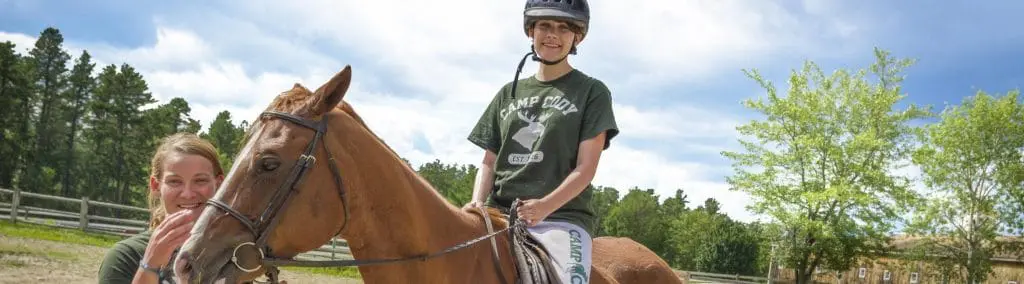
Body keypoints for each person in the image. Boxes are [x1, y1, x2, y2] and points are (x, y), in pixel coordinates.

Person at [464, 0, 618, 283]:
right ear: (530, 30)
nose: (552, 35)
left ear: (577, 36)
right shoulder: (506, 93)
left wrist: (545, 206)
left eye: (564, 28)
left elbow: (586, 169)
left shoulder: (592, 92)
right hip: (499, 215)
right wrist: (476, 203)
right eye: (544, 25)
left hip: (561, 218)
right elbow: (489, 161)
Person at [97, 133, 225, 284]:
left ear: (219, 184)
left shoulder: (227, 255)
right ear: (156, 185)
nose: (188, 194)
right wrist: (150, 265)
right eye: (175, 181)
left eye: (200, 180)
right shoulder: (126, 256)